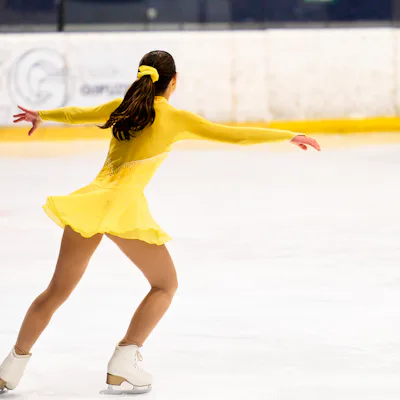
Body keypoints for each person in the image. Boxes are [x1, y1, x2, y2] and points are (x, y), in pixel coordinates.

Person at [0, 50, 321, 396]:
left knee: (55, 293)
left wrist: (42, 115)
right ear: (174, 82)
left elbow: (79, 114)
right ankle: (125, 355)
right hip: (120, 207)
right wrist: (288, 134)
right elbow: (232, 134)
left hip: (95, 202)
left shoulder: (123, 105)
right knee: (165, 285)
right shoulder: (174, 118)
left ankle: (9, 371)